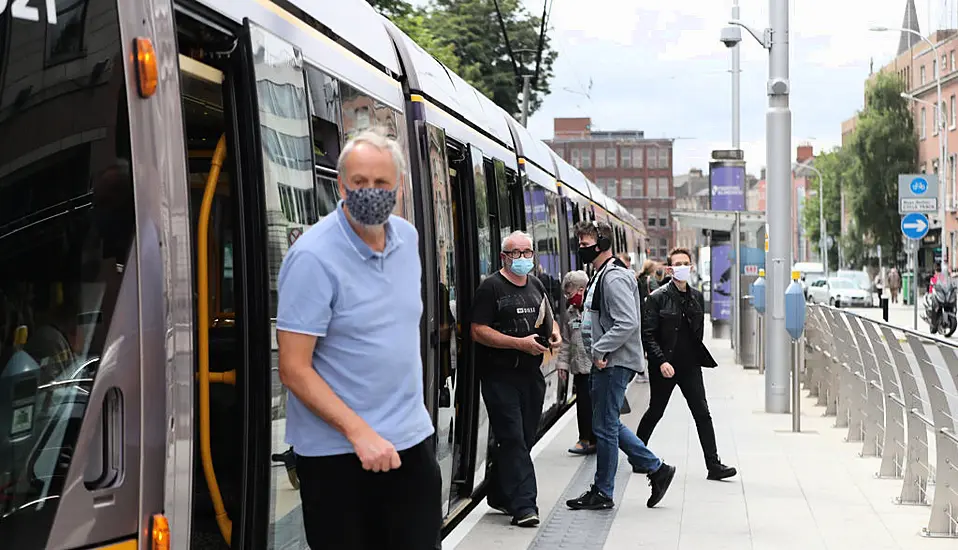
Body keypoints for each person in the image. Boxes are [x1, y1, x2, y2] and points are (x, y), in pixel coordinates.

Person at [276, 130, 441, 549]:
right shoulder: (312, 257)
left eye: (381, 184)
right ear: (341, 185)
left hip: (410, 444)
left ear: (399, 186)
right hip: (339, 457)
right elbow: (294, 369)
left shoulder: (409, 241)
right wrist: (358, 432)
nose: (371, 193)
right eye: (360, 183)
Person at [566, 221, 675, 511]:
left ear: (602, 244)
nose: (581, 249)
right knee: (607, 424)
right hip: (607, 361)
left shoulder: (612, 277)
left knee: (604, 428)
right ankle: (656, 469)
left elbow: (627, 321)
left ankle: (606, 489)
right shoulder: (602, 274)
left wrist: (600, 348)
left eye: (586, 244)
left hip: (612, 363)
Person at [471, 231, 562, 528]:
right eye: (516, 253)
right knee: (512, 438)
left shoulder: (535, 284)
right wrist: (518, 343)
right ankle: (525, 506)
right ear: (503, 257)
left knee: (524, 437)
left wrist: (555, 333)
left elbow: (547, 316)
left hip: (531, 375)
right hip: (500, 375)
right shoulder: (491, 288)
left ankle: (498, 492)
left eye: (527, 252)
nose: (522, 258)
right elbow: (478, 330)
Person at [637, 248, 737, 481]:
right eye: (677, 264)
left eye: (686, 263)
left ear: (691, 267)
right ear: (670, 269)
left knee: (702, 413)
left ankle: (714, 465)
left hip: (690, 366)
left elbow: (697, 332)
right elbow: (648, 334)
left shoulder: (697, 296)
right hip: (665, 367)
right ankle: (638, 455)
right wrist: (661, 361)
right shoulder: (657, 297)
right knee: (656, 411)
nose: (682, 267)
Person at [557, 270, 595, 455]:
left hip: (596, 367)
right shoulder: (570, 314)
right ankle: (585, 438)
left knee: (596, 406)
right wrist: (562, 365)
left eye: (569, 294)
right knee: (583, 405)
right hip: (579, 368)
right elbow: (565, 341)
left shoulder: (594, 310)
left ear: (582, 289)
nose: (567, 298)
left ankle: (595, 439)